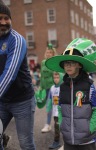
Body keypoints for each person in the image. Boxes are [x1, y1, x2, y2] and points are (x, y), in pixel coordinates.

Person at [45, 38, 96, 150]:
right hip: (68, 141)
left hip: (87, 142)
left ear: (79, 65)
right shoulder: (63, 87)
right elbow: (60, 108)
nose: (68, 66)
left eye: (72, 63)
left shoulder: (88, 85)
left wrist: (90, 128)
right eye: (66, 63)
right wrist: (62, 125)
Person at [0, 1, 36, 150]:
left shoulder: (17, 40)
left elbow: (9, 74)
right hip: (3, 100)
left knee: (25, 143)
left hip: (22, 101)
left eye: (6, 18)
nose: (3, 22)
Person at [40, 43, 57, 133]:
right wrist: (40, 87)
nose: (48, 53)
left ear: (53, 54)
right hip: (45, 87)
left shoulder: (54, 62)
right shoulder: (42, 62)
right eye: (47, 52)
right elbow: (42, 75)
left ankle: (48, 124)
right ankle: (50, 124)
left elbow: (57, 75)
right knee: (49, 106)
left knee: (51, 106)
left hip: (53, 88)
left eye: (50, 52)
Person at [46, 72, 63, 149]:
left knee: (62, 127)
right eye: (54, 78)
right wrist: (48, 107)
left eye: (57, 77)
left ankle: (67, 140)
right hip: (55, 112)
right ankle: (56, 142)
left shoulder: (63, 87)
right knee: (56, 126)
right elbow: (50, 98)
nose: (56, 79)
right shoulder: (52, 87)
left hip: (63, 112)